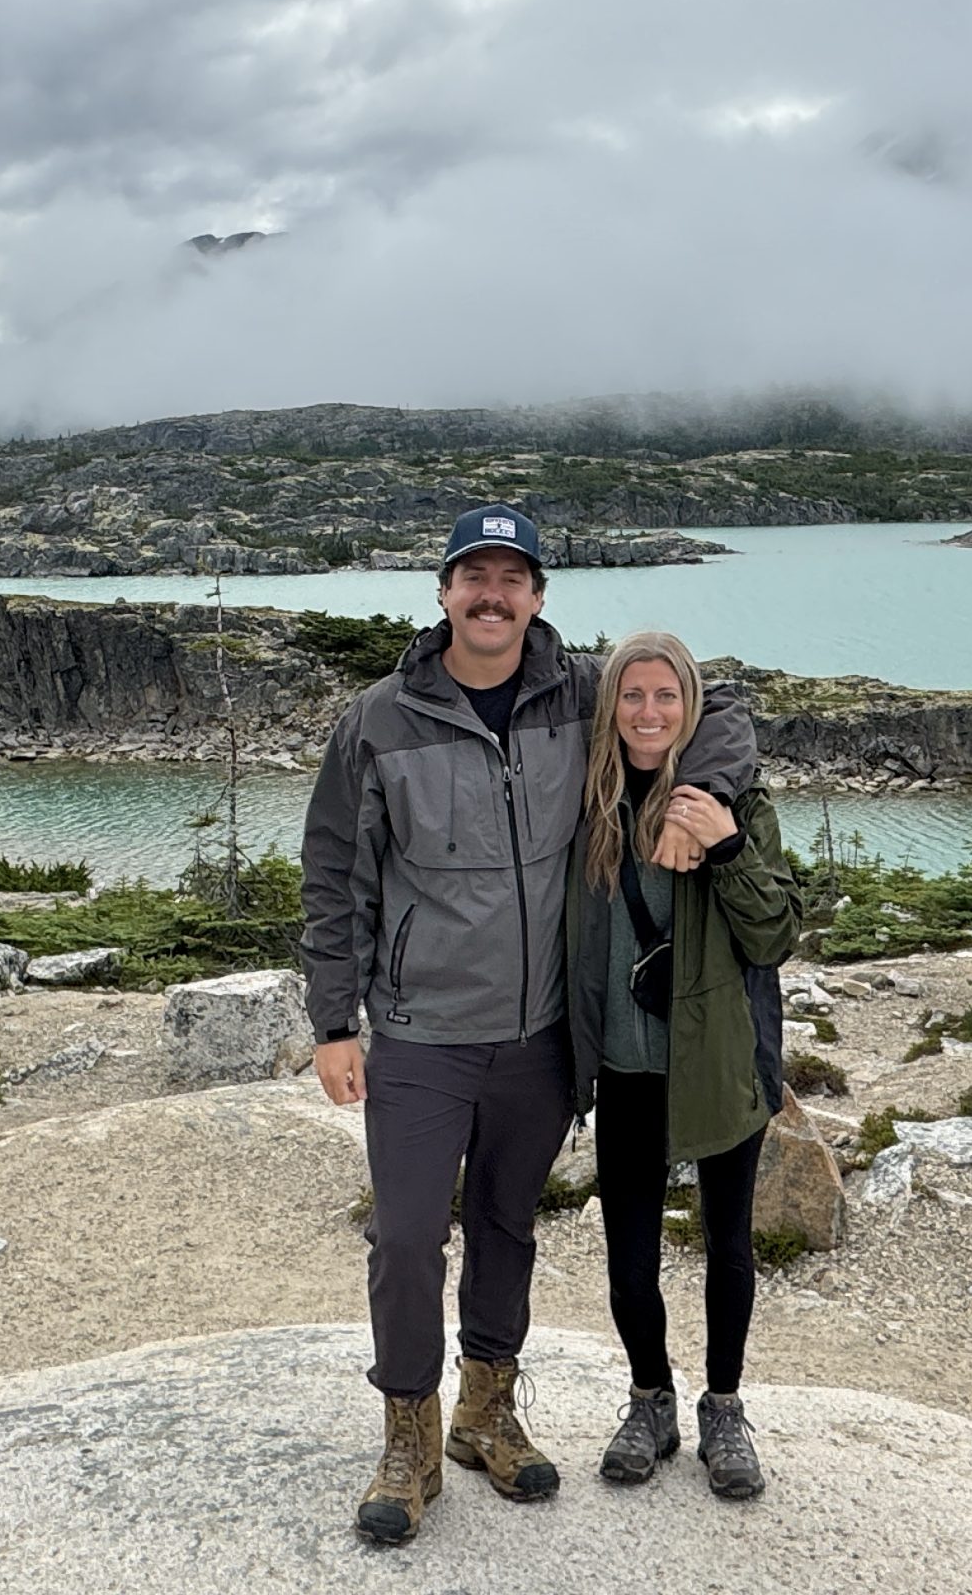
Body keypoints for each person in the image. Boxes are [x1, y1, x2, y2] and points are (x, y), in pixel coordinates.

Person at [299, 506, 759, 1546]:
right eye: (475, 577)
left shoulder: (581, 692)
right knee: (409, 1235)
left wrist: (700, 795)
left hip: (546, 1034)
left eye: (513, 578)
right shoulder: (378, 719)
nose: (493, 596)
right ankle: (408, 1432)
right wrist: (336, 1019)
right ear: (443, 591)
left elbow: (714, 704)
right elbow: (334, 875)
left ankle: (484, 1411)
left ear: (539, 597)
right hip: (421, 1031)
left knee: (508, 1225)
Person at [566, 629, 798, 1501]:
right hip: (626, 1065)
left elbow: (775, 933)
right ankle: (650, 1400)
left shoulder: (733, 803)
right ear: (611, 707)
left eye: (668, 697)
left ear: (691, 707)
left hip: (719, 1062)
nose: (650, 713)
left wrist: (728, 845)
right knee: (630, 1257)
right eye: (633, 696)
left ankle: (725, 1409)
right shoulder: (589, 807)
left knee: (727, 1249)